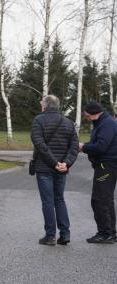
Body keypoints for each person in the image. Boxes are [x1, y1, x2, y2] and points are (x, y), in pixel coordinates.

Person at [31, 95, 79, 246]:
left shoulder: (38, 120)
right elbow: (74, 146)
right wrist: (66, 163)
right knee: (59, 199)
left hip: (45, 167)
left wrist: (54, 163)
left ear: (44, 106)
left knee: (48, 201)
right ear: (57, 106)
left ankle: (50, 235)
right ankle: (65, 234)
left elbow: (39, 143)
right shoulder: (69, 123)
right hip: (61, 168)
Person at [79, 102, 117, 244]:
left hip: (106, 165)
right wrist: (87, 145)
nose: (87, 117)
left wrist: (84, 147)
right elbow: (98, 142)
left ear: (95, 113)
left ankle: (105, 233)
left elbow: (101, 147)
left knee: (99, 200)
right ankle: (111, 233)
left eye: (88, 115)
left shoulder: (106, 124)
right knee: (106, 199)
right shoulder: (102, 122)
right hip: (105, 165)